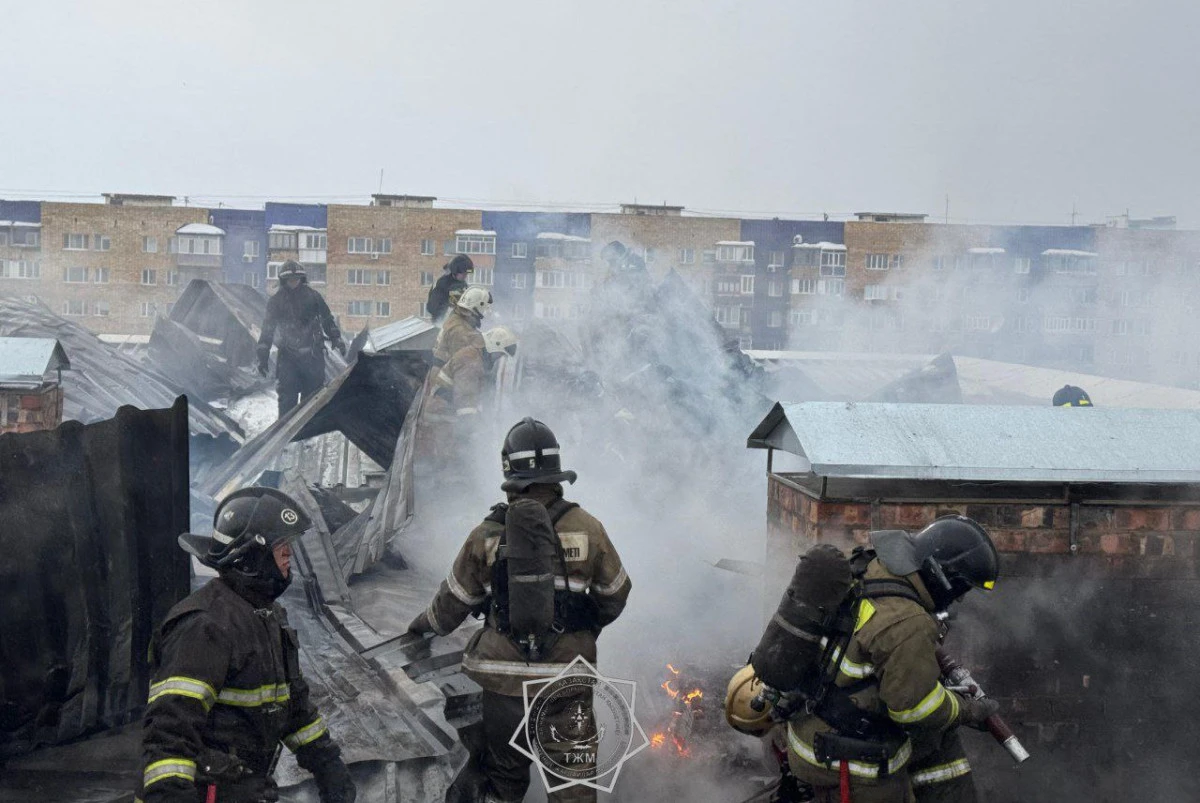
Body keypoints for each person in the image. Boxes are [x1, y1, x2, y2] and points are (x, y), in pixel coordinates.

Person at [408, 418, 632, 803]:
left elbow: (452, 602)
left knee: (503, 781)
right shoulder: (587, 528)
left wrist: (419, 628)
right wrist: (580, 628)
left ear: (509, 470)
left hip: (503, 685)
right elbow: (615, 593)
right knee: (572, 787)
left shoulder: (487, 533)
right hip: (565, 683)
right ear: (556, 469)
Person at [137, 487, 356, 803]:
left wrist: (326, 762)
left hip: (242, 785)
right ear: (251, 557)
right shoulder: (205, 626)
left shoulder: (267, 615)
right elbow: (169, 733)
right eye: (281, 547)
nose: (289, 556)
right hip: (205, 793)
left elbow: (291, 706)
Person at [784, 516, 1001, 803]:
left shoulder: (872, 567)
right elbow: (915, 710)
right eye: (961, 590)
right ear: (943, 576)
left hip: (807, 727)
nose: (958, 599)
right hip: (848, 763)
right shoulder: (908, 621)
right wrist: (967, 710)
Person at [257, 261, 346, 418]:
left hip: (312, 356)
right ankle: (286, 431)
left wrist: (336, 338)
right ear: (283, 280)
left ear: (302, 278)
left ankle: (308, 432)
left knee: (312, 401)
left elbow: (327, 319)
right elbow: (268, 329)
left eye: (296, 278)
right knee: (287, 400)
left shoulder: (313, 296)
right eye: (290, 279)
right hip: (288, 358)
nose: (293, 282)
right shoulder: (276, 301)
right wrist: (262, 355)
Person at [429, 325, 518, 418]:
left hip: (448, 408)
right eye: (500, 354)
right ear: (493, 346)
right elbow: (465, 398)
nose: (499, 358)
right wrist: (470, 421)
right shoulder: (471, 360)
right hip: (441, 412)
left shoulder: (477, 357)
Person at [427, 254, 475, 323]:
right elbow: (434, 309)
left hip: (455, 320)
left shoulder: (459, 282)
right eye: (464, 273)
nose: (465, 276)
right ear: (455, 271)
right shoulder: (443, 284)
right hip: (442, 321)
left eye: (467, 273)